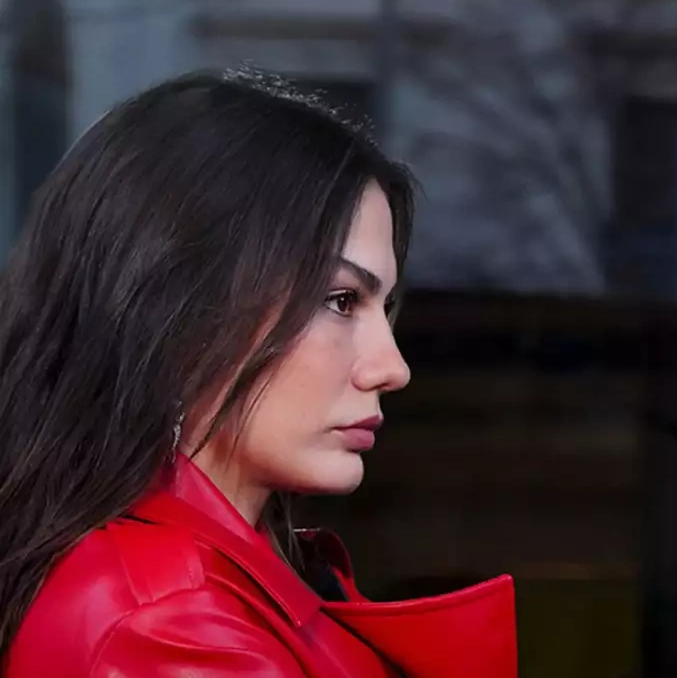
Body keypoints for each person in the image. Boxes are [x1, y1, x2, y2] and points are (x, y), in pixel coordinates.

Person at [0, 70, 517, 677]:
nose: (392, 368)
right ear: (181, 311)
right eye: (341, 300)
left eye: (386, 307)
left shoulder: (213, 589)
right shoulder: (169, 631)